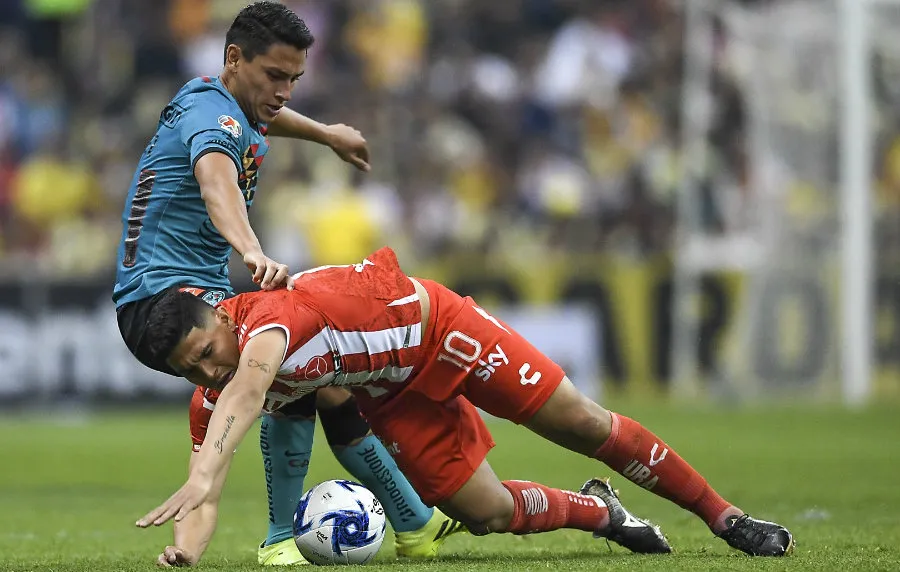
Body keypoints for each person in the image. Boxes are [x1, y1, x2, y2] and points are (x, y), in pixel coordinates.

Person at [134, 247, 795, 558]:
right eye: (192, 371)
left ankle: (725, 518)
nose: (210, 370)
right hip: (392, 393)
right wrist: (185, 554)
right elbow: (205, 500)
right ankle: (600, 513)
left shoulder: (269, 320)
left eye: (207, 351)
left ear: (219, 315)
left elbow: (251, 385)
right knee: (485, 513)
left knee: (582, 421)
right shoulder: (215, 393)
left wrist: (205, 465)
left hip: (445, 331)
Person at [112, 2, 462, 566]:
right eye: (275, 76)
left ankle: (414, 524)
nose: (285, 91)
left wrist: (326, 135)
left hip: (161, 291)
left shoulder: (214, 97)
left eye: (294, 78)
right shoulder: (213, 122)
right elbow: (216, 183)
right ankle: (285, 539)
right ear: (234, 58)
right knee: (293, 361)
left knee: (320, 377)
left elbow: (264, 118)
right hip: (167, 299)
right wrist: (250, 249)